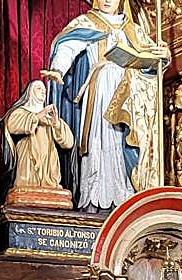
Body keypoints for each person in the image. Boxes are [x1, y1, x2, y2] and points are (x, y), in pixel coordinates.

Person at [43, 0, 169, 213]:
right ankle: (98, 197)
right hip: (101, 91)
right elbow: (67, 47)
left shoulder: (134, 29)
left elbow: (152, 64)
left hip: (129, 96)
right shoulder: (87, 22)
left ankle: (127, 194)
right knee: (101, 143)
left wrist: (163, 56)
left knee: (125, 143)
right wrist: (58, 69)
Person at [0, 79, 76, 206]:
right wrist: (38, 116)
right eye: (39, 88)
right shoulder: (21, 111)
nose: (43, 91)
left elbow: (68, 142)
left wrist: (56, 123)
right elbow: (11, 125)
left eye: (44, 89)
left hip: (49, 159)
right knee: (27, 185)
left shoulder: (51, 118)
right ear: (30, 93)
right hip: (28, 156)